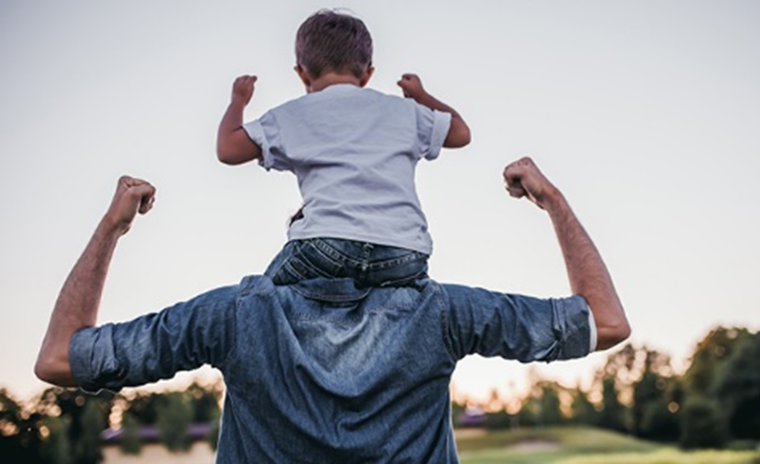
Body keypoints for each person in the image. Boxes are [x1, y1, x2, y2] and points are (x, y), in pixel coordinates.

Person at [35, 157, 631, 463]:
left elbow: (61, 358)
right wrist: (552, 201)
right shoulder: (442, 313)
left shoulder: (234, 316)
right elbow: (605, 323)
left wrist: (112, 228)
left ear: (297, 232)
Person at [216, 10, 471, 288]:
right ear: (368, 74)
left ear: (301, 73)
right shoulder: (404, 111)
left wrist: (238, 101)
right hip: (404, 253)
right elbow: (461, 133)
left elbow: (228, 149)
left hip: (326, 247)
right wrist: (421, 96)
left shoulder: (292, 115)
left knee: (262, 299)